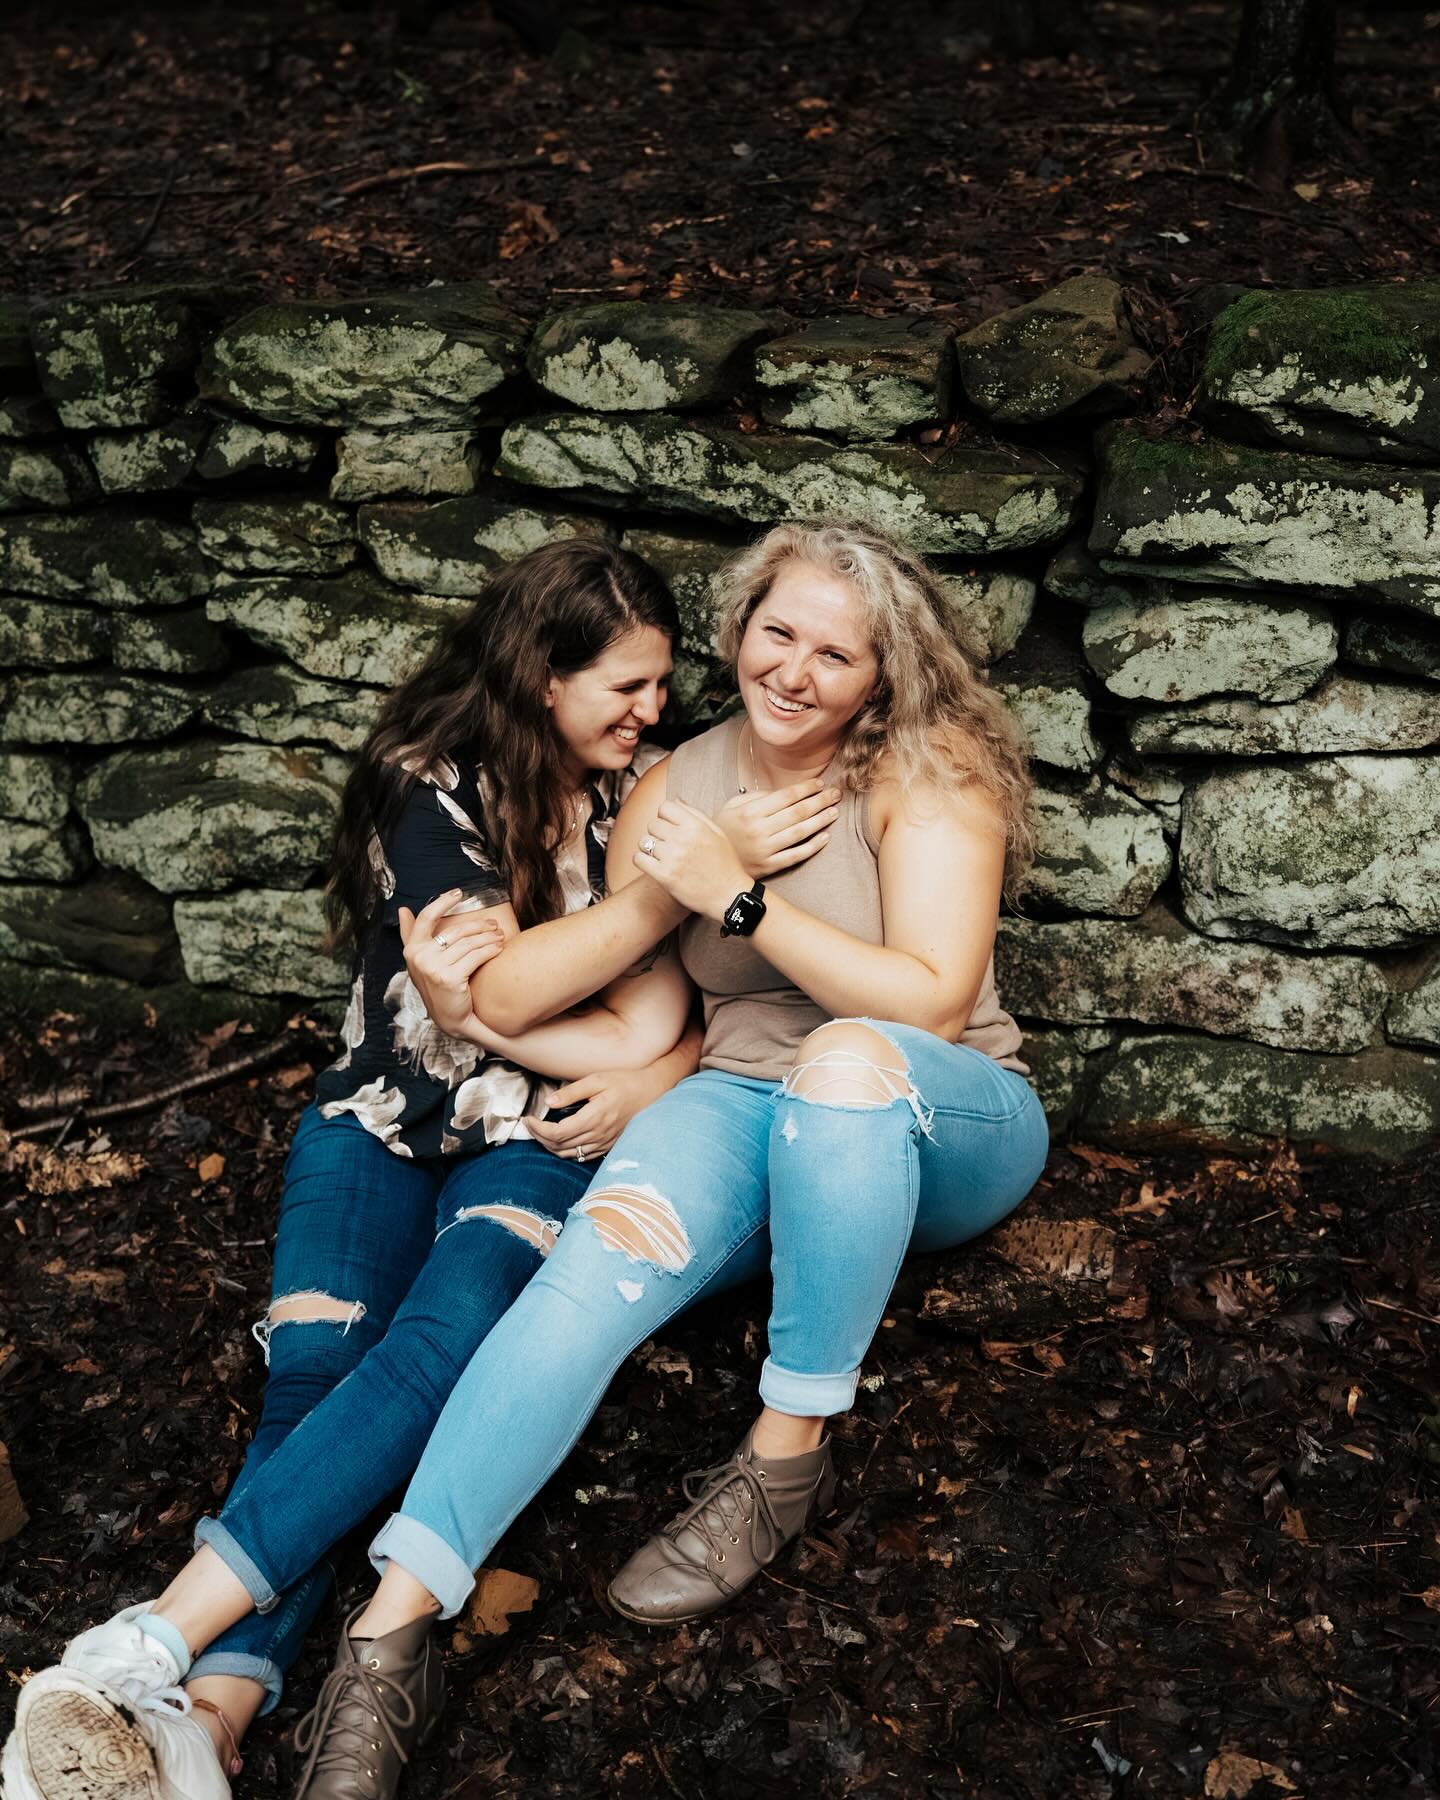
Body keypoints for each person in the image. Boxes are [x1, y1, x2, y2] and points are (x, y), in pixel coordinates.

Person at [2, 537, 837, 1800]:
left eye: (663, 684)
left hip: (548, 1128)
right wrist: (650, 922)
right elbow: (545, 993)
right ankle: (208, 1714)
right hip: (385, 1112)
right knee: (318, 1369)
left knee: (441, 1347)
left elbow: (640, 1020)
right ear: (541, 674)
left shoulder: (659, 795)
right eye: (626, 684)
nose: (655, 709)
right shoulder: (428, 782)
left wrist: (602, 1046)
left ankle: (166, 1668)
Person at [264, 519, 1051, 1800]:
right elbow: (643, 997)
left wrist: (746, 901)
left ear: (884, 674)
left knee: (847, 1063)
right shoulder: (676, 785)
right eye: (775, 632)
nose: (794, 671)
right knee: (590, 1270)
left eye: (835, 654)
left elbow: (933, 1006)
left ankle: (785, 1455)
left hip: (943, 1114)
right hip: (742, 1098)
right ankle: (394, 1625)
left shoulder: (929, 768)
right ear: (738, 631)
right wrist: (491, 1015)